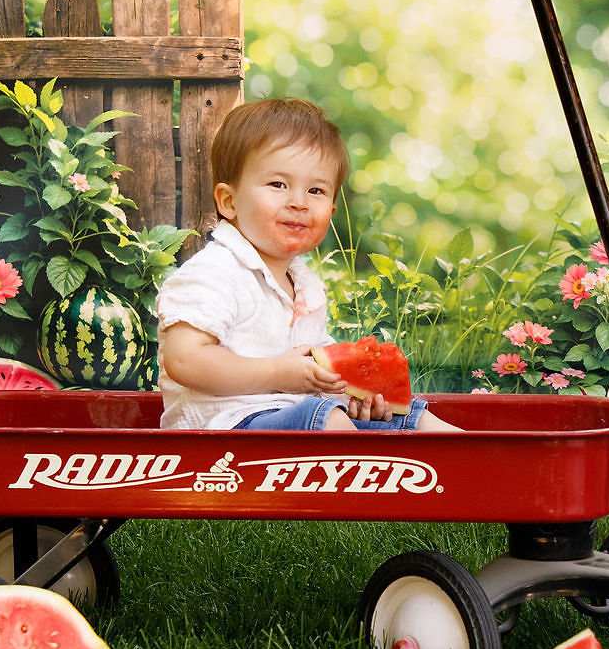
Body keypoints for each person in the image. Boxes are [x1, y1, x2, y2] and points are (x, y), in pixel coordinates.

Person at [155, 98, 463, 434]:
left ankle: (481, 463)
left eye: (315, 190)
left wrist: (351, 393)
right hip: (223, 430)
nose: (299, 202)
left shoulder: (306, 286)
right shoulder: (213, 273)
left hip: (300, 417)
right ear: (230, 202)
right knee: (325, 420)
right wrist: (277, 373)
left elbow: (313, 378)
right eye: (278, 184)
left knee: (411, 419)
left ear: (331, 210)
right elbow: (184, 360)